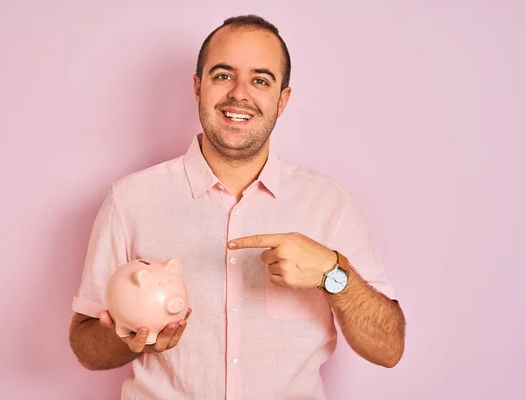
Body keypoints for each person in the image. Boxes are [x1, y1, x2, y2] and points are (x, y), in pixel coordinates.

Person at [68, 14, 406, 400]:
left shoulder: (329, 204)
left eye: (260, 80)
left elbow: (389, 348)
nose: (239, 94)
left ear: (283, 100)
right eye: (223, 75)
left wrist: (333, 273)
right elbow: (86, 346)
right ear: (198, 87)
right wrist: (128, 334)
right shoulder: (130, 200)